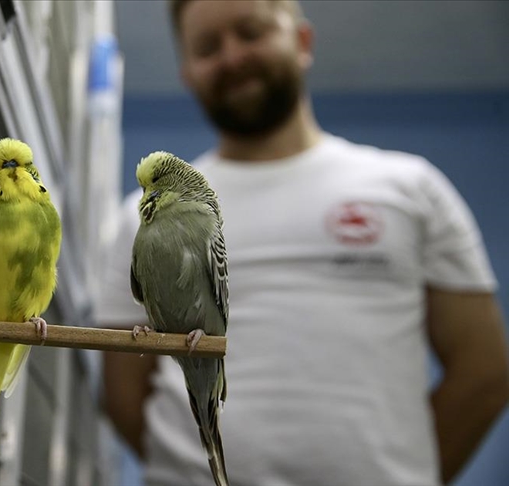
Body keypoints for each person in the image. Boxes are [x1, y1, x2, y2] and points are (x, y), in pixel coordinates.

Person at [96, 1, 509, 485]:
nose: (232, 57)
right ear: (187, 72)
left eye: (250, 32)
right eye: (208, 47)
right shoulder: (136, 219)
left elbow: (485, 374)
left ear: (303, 41)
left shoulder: (411, 188)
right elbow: (123, 393)